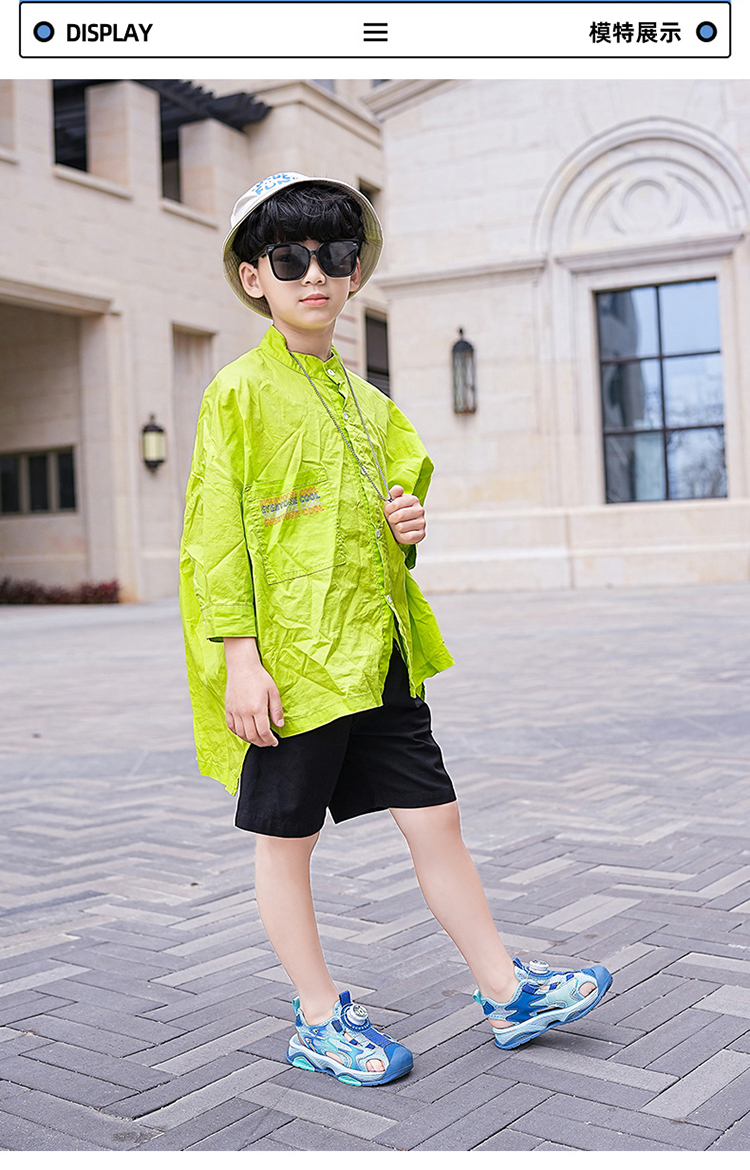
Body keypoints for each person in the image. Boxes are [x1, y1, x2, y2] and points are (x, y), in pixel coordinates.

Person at [178, 171, 612, 1088]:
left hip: (378, 650)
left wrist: (407, 526)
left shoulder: (373, 404)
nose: (314, 274)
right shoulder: (238, 394)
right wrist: (242, 660)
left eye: (333, 255)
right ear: (254, 277)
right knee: (287, 840)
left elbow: (389, 523)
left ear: (355, 272)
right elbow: (213, 537)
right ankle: (318, 1016)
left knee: (436, 815)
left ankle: (506, 992)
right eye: (288, 258)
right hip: (293, 662)